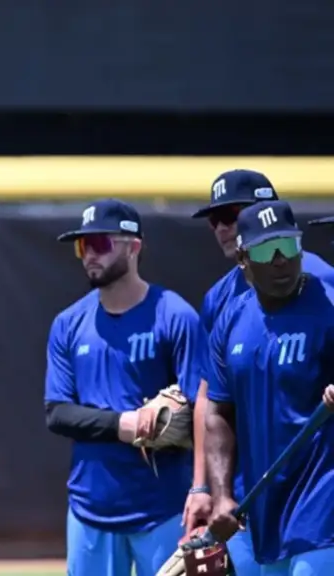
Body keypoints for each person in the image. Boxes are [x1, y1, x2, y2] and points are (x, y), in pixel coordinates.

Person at [44, 199, 205, 576]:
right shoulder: (68, 323)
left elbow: (204, 410)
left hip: (163, 508)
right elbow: (58, 412)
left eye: (100, 244)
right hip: (91, 505)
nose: (89, 256)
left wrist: (203, 489)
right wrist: (125, 424)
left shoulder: (175, 315)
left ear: (134, 247)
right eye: (83, 246)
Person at [188, 170, 334, 576]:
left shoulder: (325, 290)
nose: (280, 259)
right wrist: (210, 490)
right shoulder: (224, 306)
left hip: (322, 500)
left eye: (233, 214)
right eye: (216, 219)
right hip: (256, 502)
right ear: (244, 256)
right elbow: (214, 402)